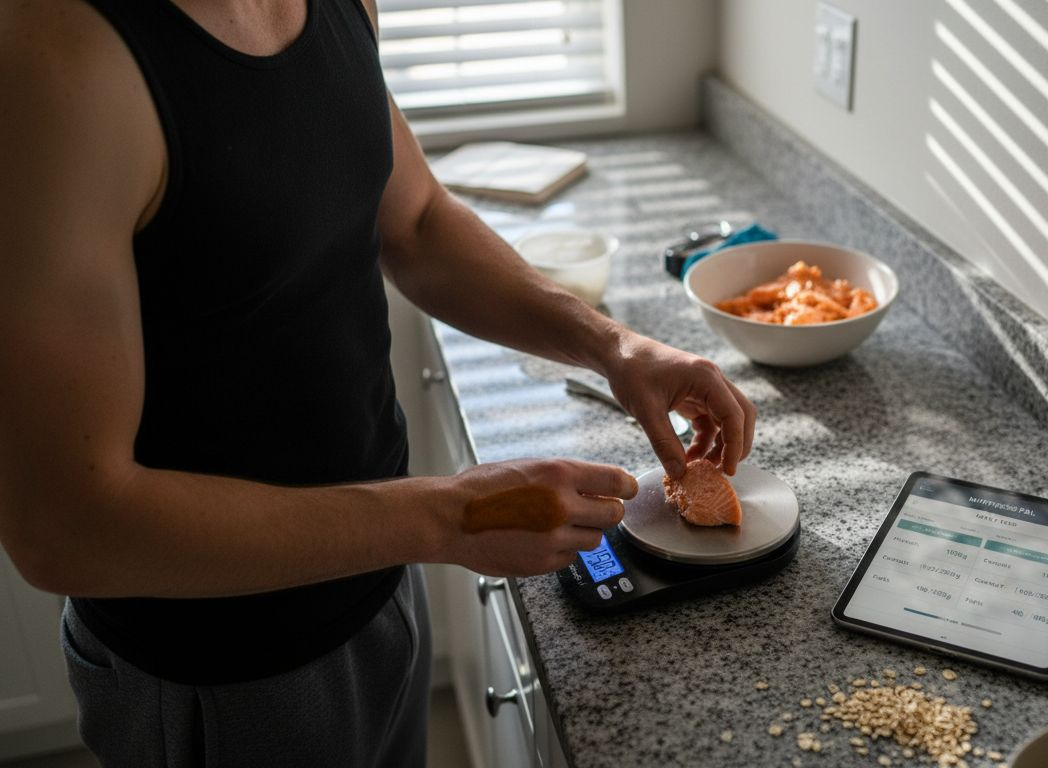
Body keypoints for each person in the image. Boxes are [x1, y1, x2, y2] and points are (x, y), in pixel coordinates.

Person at [0, 0, 757, 765]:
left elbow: (417, 220)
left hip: (379, 582)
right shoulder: (60, 51)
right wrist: (447, 519)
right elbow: (62, 529)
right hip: (223, 674)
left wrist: (613, 345)